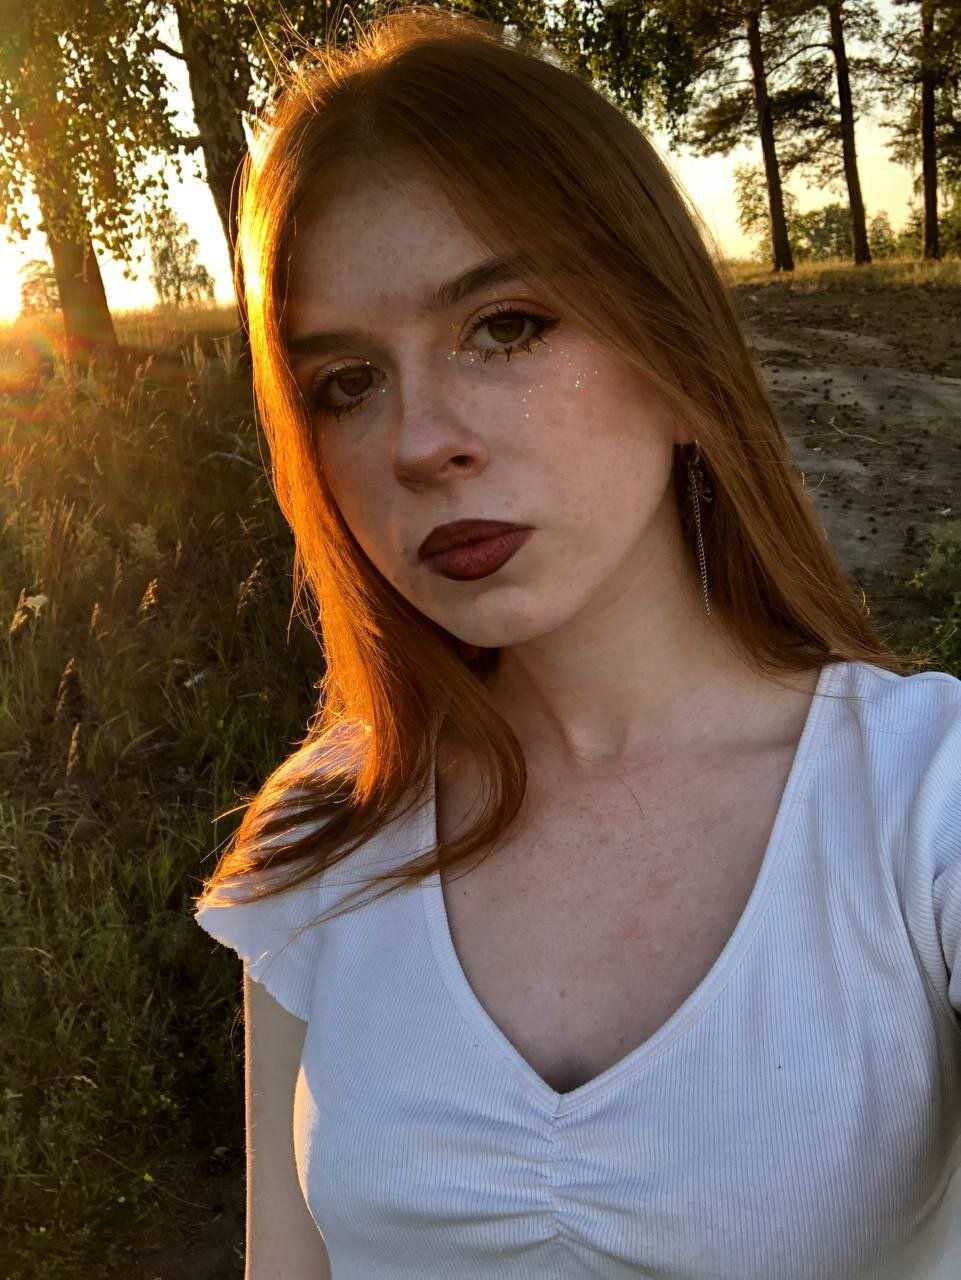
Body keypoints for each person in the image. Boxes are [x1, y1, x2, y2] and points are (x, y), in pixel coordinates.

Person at [192, 7, 961, 1278]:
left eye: (503, 326)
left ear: (675, 359)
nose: (419, 441)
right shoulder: (325, 829)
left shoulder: (921, 803)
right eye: (347, 384)